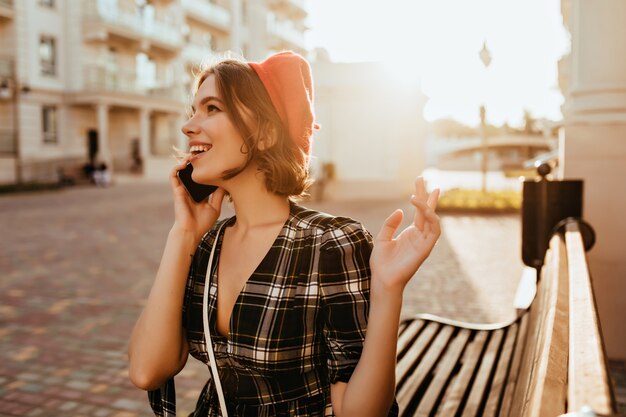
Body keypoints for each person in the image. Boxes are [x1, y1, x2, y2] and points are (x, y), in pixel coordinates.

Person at [128, 51, 441, 417]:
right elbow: (146, 371)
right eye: (193, 110)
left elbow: (358, 412)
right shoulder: (206, 245)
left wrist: (388, 290)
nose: (189, 126)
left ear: (265, 133)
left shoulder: (330, 244)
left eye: (212, 108)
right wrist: (182, 234)